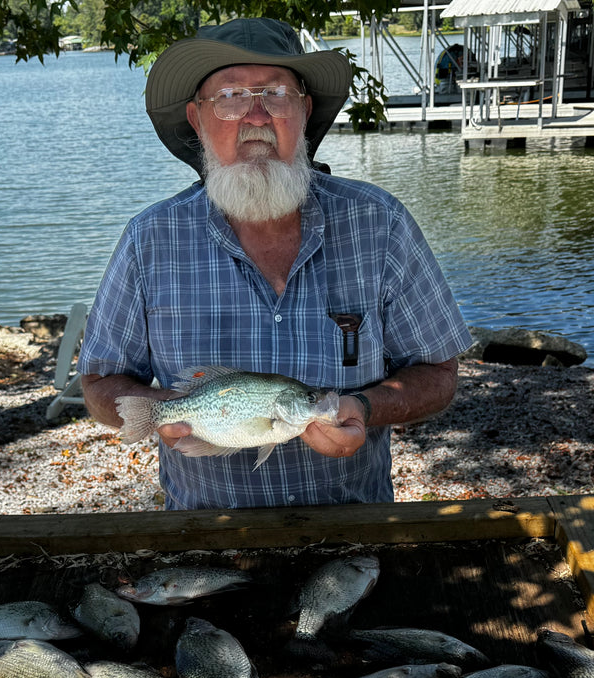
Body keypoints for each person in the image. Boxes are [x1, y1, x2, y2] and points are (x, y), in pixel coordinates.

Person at [78, 17, 473, 510]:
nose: (256, 116)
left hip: (354, 524)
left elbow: (438, 370)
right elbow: (98, 381)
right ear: (198, 120)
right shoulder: (149, 239)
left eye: (276, 95)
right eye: (229, 97)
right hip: (205, 531)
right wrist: (163, 413)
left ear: (304, 112)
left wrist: (364, 408)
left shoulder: (381, 223)